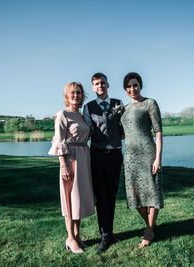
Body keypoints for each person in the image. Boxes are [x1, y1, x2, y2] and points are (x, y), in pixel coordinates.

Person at [48, 82, 95, 254]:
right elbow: (59, 140)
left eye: (79, 93)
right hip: (70, 158)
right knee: (69, 200)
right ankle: (70, 239)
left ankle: (77, 236)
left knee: (79, 200)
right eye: (73, 93)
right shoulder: (62, 114)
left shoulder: (82, 116)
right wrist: (63, 165)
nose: (76, 96)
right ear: (67, 96)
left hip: (84, 156)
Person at [120, 72, 163, 248]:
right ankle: (150, 226)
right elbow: (123, 133)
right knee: (135, 195)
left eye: (135, 85)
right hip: (130, 156)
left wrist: (158, 158)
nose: (132, 89)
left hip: (148, 153)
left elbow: (158, 132)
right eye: (129, 86)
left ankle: (149, 231)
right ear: (125, 89)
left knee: (152, 192)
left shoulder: (150, 103)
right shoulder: (124, 109)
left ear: (140, 85)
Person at [83, 73, 124, 253]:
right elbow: (85, 130)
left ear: (108, 84)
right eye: (96, 84)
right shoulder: (88, 107)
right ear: (93, 87)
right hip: (97, 156)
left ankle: (111, 232)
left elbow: (123, 127)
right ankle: (105, 236)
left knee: (112, 195)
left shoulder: (118, 103)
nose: (100, 86)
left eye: (102, 83)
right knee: (101, 196)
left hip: (115, 155)